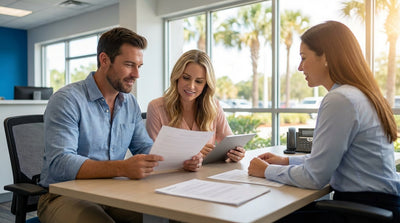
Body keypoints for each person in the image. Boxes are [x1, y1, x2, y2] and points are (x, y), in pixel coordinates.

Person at [248, 21, 400, 222]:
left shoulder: (340, 99)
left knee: (264, 217)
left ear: (326, 57)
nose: (300, 67)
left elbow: (314, 177)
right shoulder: (361, 94)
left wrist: (266, 170)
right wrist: (286, 160)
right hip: (378, 204)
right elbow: (331, 160)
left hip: (363, 210)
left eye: (303, 58)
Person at [37, 27, 164, 223]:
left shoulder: (129, 103)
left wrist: (180, 158)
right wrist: (122, 168)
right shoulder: (67, 100)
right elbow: (60, 163)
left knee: (161, 217)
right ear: (104, 60)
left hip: (113, 192)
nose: (136, 74)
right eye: (129, 65)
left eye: (139, 66)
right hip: (63, 195)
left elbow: (145, 147)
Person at [146, 49, 246, 171]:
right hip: (169, 179)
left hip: (205, 178)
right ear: (177, 77)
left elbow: (229, 143)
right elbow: (151, 156)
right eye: (186, 78)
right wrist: (189, 155)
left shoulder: (214, 106)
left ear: (206, 85)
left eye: (199, 81)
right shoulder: (156, 108)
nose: (191, 86)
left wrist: (235, 154)